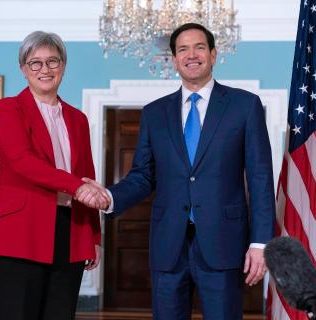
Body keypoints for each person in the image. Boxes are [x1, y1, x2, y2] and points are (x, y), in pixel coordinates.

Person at [80, 23, 276, 319]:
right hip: (168, 244)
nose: (191, 55)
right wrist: (109, 196)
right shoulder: (155, 113)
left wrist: (260, 242)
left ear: (213, 54)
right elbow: (143, 175)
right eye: (183, 49)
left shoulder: (244, 106)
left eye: (199, 47)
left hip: (224, 242)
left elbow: (261, 179)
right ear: (174, 59)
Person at [0, 31, 109, 320]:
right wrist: (77, 187)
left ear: (63, 66)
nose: (45, 69)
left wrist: (93, 235)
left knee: (60, 315)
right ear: (23, 69)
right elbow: (22, 162)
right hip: (20, 233)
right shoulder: (7, 109)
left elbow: (86, 175)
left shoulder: (78, 119)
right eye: (35, 63)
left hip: (69, 229)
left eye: (52, 61)